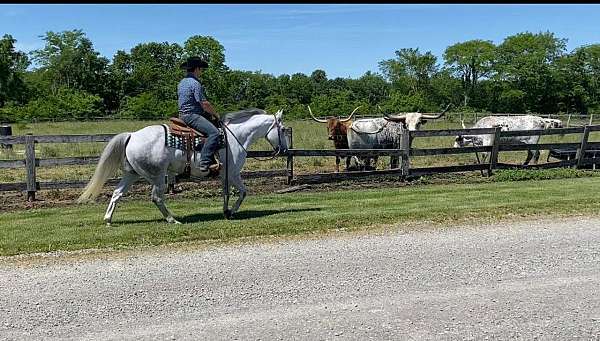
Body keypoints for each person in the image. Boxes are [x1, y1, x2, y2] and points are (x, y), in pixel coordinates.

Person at [177, 56, 221, 173]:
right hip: (192, 115)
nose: (202, 72)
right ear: (196, 69)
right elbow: (204, 104)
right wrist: (216, 114)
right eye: (201, 69)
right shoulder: (195, 83)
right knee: (214, 133)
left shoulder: (182, 82)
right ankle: (205, 162)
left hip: (182, 114)